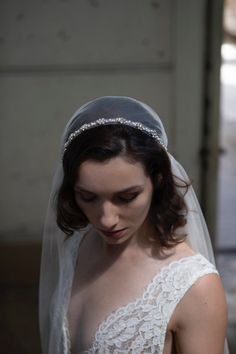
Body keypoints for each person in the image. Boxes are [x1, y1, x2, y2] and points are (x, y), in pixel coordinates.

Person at [39, 96, 229, 354]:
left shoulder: (195, 286)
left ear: (159, 181)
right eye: (88, 197)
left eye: (127, 197)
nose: (106, 219)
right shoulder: (75, 246)